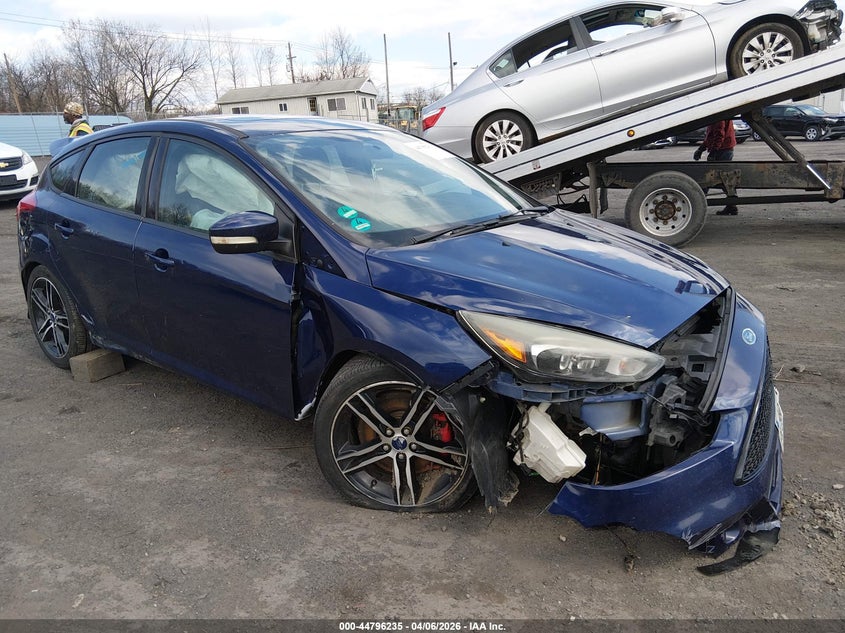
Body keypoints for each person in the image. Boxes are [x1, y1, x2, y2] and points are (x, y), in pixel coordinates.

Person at [693, 119, 738, 215]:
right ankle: (732, 205)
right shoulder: (717, 115)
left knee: (711, 177)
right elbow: (711, 136)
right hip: (724, 149)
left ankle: (697, 203)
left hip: (722, 150)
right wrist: (701, 149)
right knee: (724, 178)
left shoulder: (718, 117)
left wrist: (713, 152)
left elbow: (719, 135)